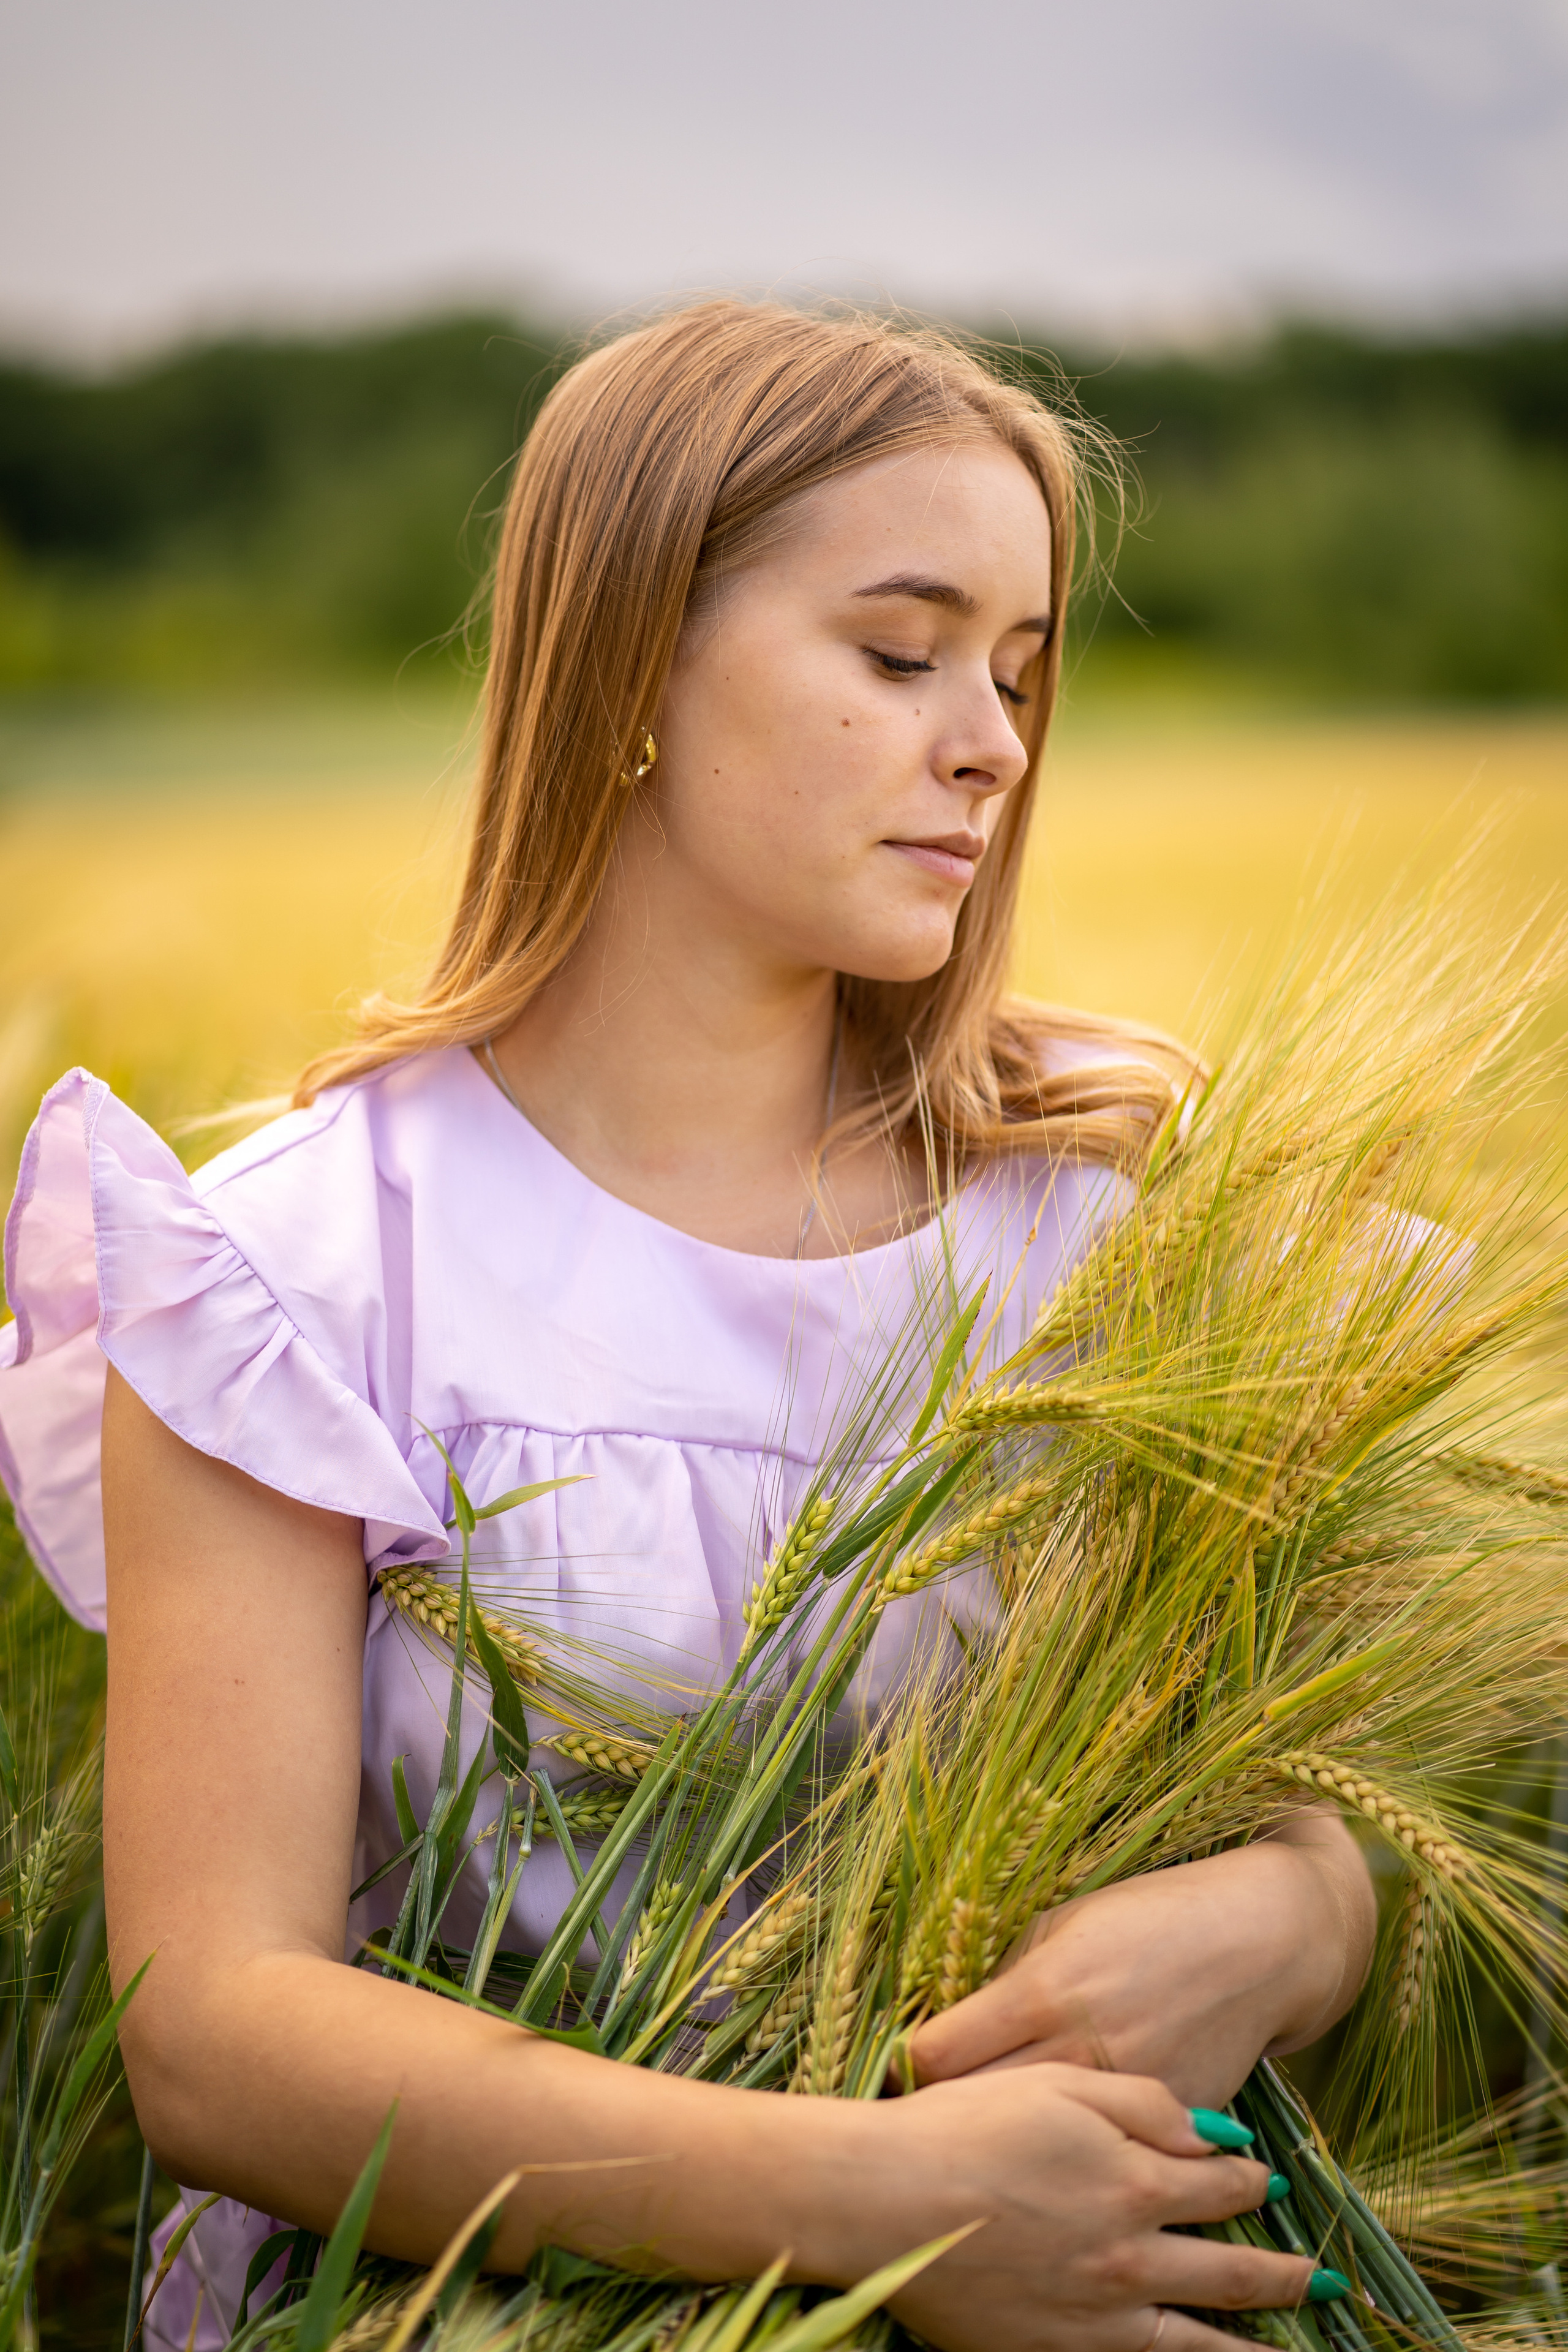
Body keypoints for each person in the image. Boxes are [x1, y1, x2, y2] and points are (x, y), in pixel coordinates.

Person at [0, 301, 1374, 2352]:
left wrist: (1304, 1912)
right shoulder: (296, 1269)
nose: (993, 741)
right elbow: (212, 2025)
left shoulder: (1116, 1233)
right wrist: (883, 2209)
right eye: (902, 656)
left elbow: (1353, 1771)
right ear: (634, 655)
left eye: (1018, 674)